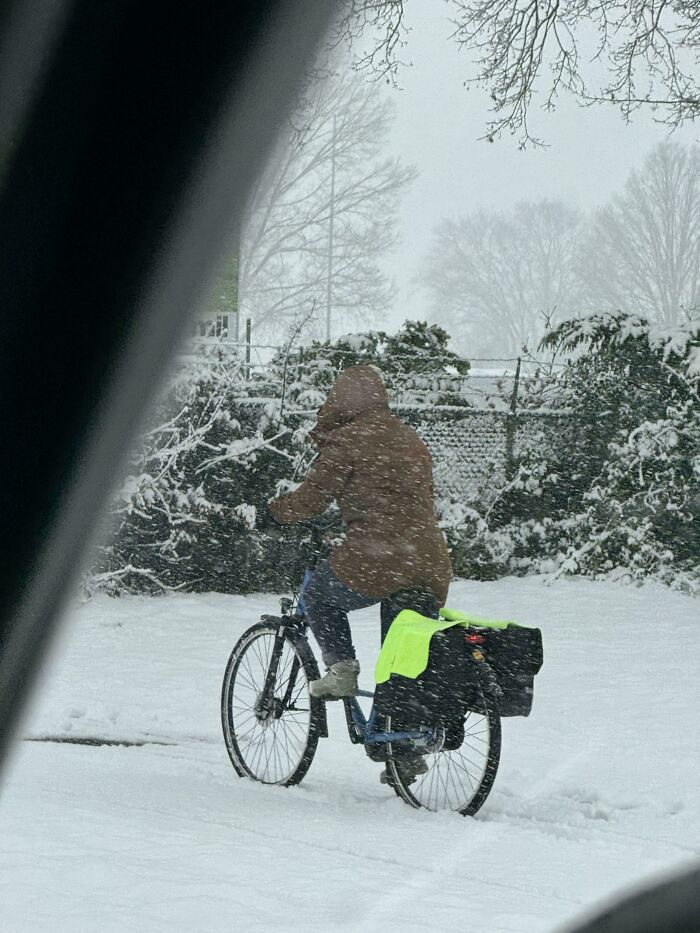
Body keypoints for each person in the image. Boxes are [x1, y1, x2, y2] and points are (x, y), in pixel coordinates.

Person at [269, 364, 452, 703]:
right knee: (400, 664)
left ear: (341, 401)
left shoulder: (349, 439)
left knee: (316, 595)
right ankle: (400, 739)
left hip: (379, 556)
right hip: (430, 561)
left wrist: (275, 514)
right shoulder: (410, 438)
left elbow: (313, 498)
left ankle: (342, 671)